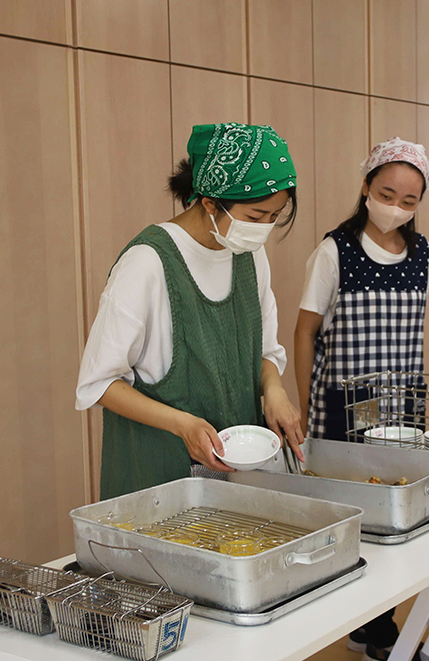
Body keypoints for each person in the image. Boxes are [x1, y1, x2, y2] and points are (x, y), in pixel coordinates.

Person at [76, 122, 305, 500]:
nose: (264, 229)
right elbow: (99, 384)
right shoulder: (147, 263)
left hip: (232, 483)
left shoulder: (249, 255)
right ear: (210, 203)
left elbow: (264, 350)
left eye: (274, 217)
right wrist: (182, 424)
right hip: (156, 481)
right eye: (255, 216)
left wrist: (275, 390)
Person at [294, 138, 429, 661]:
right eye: (387, 193)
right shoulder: (335, 250)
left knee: (399, 517)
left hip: (403, 406)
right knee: (359, 520)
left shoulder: (421, 252)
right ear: (365, 187)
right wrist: (305, 403)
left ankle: (373, 632)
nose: (397, 207)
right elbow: (305, 330)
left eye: (409, 200)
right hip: (343, 407)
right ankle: (381, 636)